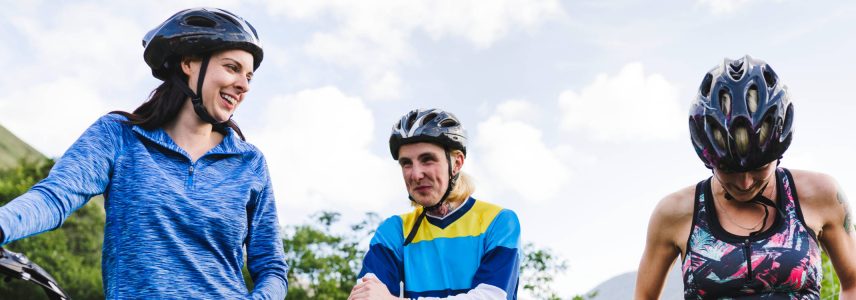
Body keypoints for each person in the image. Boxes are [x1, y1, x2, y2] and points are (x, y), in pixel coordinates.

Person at [0, 8, 288, 299]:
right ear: (189, 63)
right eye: (232, 67)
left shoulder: (249, 163)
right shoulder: (119, 136)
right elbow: (55, 197)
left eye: (249, 75)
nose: (244, 85)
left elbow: (272, 268)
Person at [635, 56, 856, 299]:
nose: (745, 183)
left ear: (778, 153)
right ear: (708, 158)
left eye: (759, 167)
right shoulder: (673, 213)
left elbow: (853, 283)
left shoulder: (821, 194)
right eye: (729, 170)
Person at [348, 108, 521, 300]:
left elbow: (490, 297)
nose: (415, 174)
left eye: (427, 160)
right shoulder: (393, 230)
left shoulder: (498, 221)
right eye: (406, 163)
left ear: (457, 163)